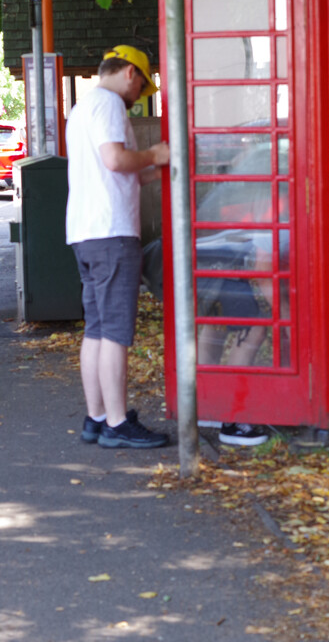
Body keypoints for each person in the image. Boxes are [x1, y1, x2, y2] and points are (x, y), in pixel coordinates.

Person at [66, 45, 171, 449]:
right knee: (116, 332)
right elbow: (115, 159)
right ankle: (116, 423)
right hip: (112, 233)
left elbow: (121, 173)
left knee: (96, 329)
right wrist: (155, 153)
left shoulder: (84, 107)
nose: (138, 97)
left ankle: (95, 418)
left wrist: (155, 168)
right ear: (131, 73)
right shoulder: (110, 103)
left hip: (85, 231)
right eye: (141, 88)